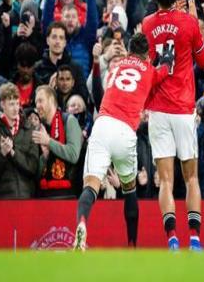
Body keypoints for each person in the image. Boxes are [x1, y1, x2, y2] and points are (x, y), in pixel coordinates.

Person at [74, 33, 171, 250]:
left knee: (90, 186)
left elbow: (98, 92)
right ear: (147, 55)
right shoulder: (149, 71)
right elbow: (166, 68)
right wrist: (167, 54)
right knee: (129, 191)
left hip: (103, 124)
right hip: (126, 131)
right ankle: (132, 245)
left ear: (128, 51)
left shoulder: (116, 68)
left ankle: (82, 223)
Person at [142, 0, 204, 250]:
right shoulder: (188, 23)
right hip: (183, 109)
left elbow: (147, 64)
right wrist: (192, 19)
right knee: (191, 178)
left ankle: (172, 239)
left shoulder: (147, 24)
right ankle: (194, 239)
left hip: (158, 110)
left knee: (166, 181)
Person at [0, 82, 38, 198]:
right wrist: (2, 154)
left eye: (17, 103)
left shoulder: (29, 130)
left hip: (26, 197)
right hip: (3, 199)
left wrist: (13, 153)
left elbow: (33, 167)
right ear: (2, 105)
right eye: (11, 104)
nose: (15, 109)